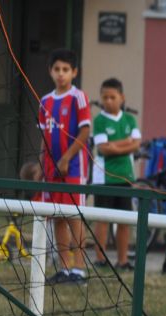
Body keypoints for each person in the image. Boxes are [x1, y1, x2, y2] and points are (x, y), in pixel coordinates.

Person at [38, 48, 91, 284]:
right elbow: (44, 137)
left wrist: (67, 158)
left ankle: (79, 269)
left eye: (66, 69)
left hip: (73, 168)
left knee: (74, 216)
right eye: (57, 69)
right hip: (51, 170)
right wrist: (41, 165)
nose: (61, 74)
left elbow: (85, 131)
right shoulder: (45, 101)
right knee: (57, 216)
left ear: (74, 72)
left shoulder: (78, 97)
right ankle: (64, 267)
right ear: (50, 71)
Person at [90, 78, 141, 270]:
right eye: (105, 98)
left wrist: (115, 146)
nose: (108, 101)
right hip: (104, 177)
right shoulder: (99, 121)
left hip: (125, 176)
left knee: (124, 220)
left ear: (122, 98)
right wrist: (126, 143)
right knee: (103, 219)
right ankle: (100, 259)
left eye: (112, 97)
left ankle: (123, 260)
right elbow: (103, 149)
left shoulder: (129, 119)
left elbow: (136, 144)